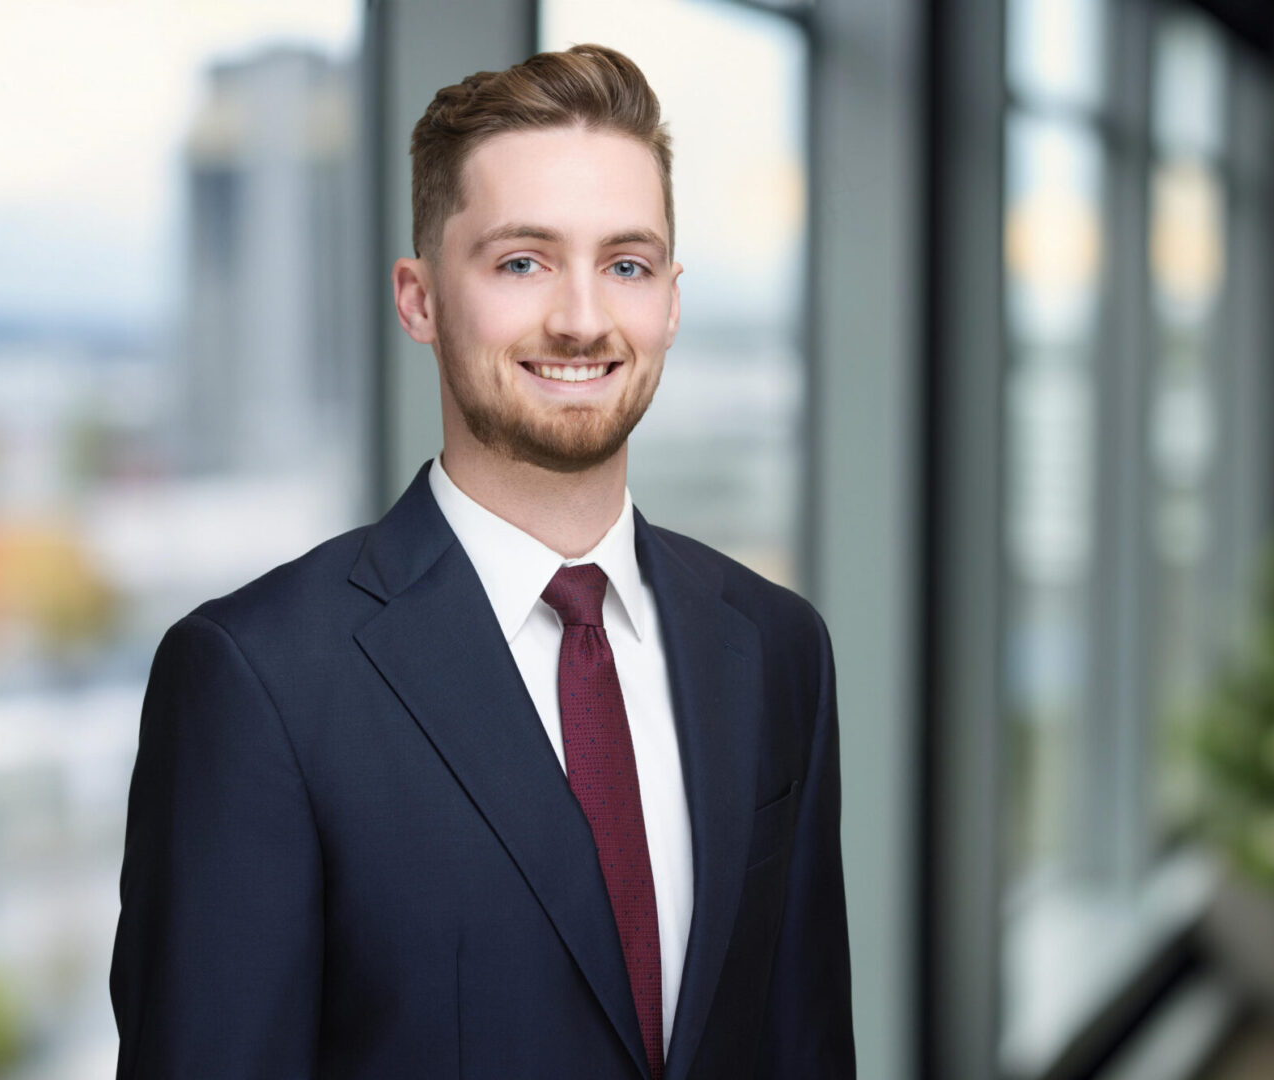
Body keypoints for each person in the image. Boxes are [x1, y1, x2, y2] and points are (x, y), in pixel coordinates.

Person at [110, 43, 853, 1080]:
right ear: (418, 299)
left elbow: (804, 1049)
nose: (583, 319)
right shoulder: (257, 682)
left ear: (671, 302)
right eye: (522, 262)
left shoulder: (777, 651)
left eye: (626, 265)